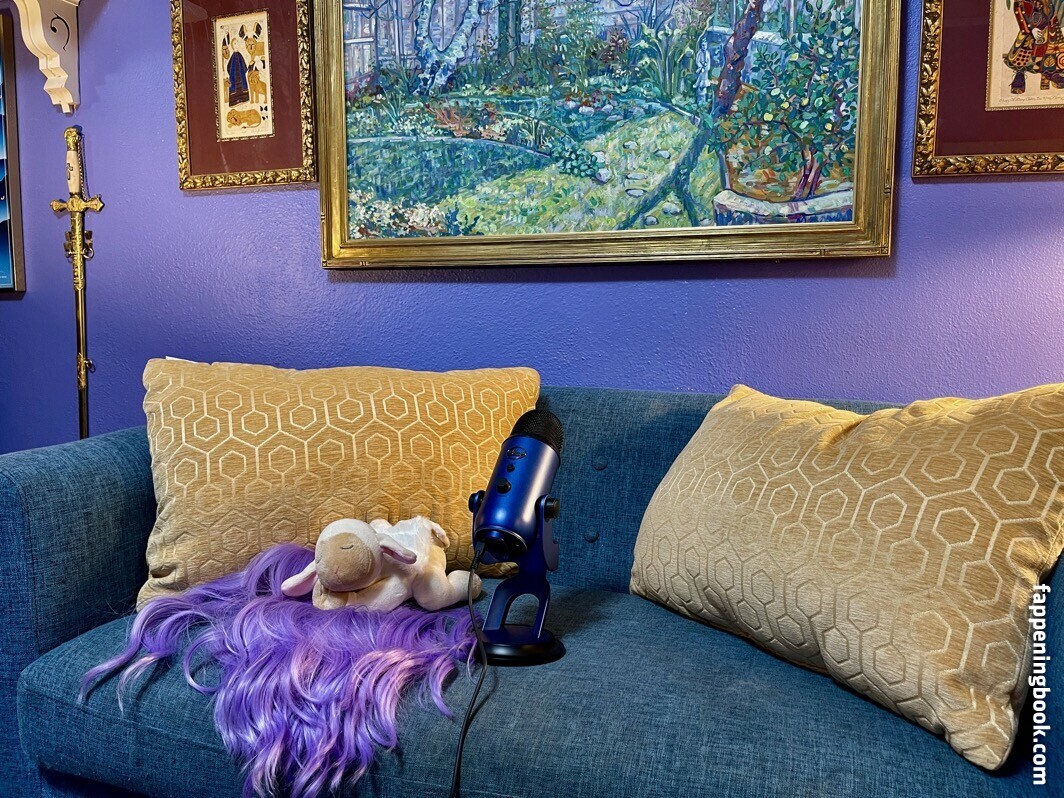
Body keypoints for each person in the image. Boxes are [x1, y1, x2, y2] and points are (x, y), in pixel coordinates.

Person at [1004, 0, 1064, 94]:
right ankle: (1020, 73)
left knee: (1054, 46)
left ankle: (1052, 72)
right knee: (1025, 48)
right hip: (1031, 21)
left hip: (1049, 18)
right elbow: (1019, 7)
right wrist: (1030, 28)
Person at [222, 35, 249, 106]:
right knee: (234, 88)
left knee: (242, 87)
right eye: (235, 43)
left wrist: (243, 72)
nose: (236, 45)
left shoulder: (239, 55)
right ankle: (235, 101)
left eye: (237, 43)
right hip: (234, 76)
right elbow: (229, 66)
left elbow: (243, 64)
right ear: (232, 46)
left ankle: (243, 99)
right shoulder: (233, 56)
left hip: (241, 75)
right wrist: (231, 74)